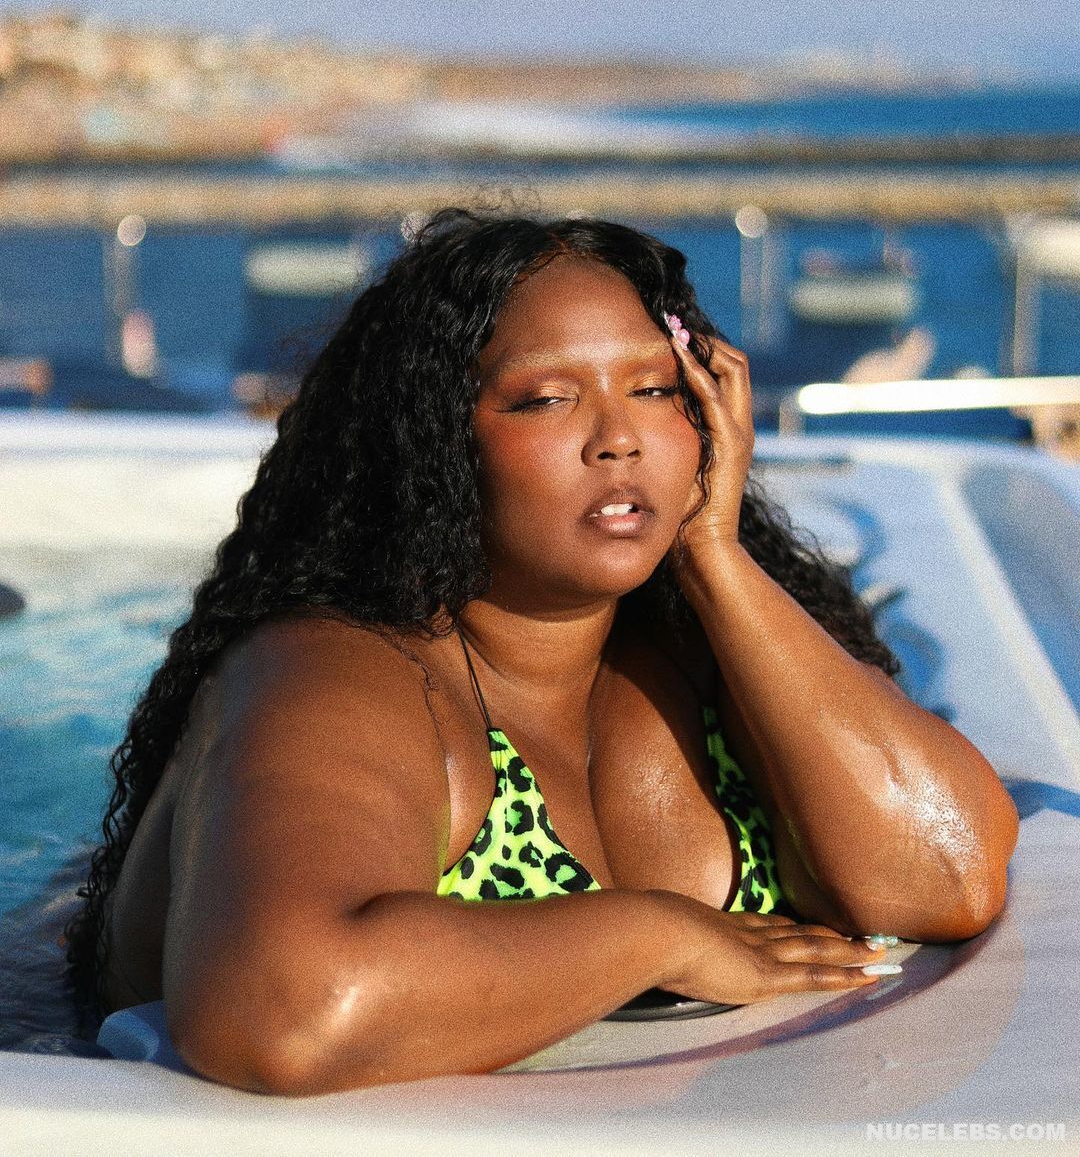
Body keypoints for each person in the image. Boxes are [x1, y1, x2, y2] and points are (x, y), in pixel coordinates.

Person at [66, 209, 1018, 1096]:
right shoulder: (337, 669)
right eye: (547, 400)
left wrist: (717, 558)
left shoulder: (709, 652)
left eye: (656, 389)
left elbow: (952, 878)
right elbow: (285, 1014)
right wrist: (662, 936)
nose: (619, 440)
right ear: (432, 442)